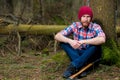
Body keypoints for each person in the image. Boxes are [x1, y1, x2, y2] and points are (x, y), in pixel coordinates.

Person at [54, 6, 106, 79]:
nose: (86, 19)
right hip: (77, 52)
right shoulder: (75, 25)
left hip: (90, 54)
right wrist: (70, 41)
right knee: (63, 42)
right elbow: (57, 36)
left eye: (88, 17)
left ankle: (73, 67)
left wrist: (83, 41)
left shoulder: (95, 26)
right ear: (80, 17)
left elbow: (102, 39)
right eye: (83, 16)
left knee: (96, 46)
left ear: (91, 18)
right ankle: (83, 67)